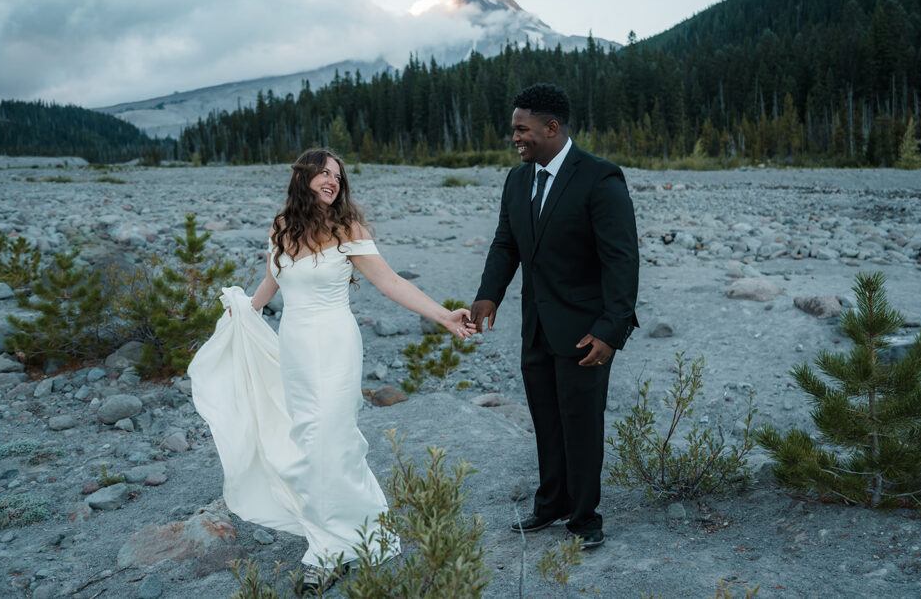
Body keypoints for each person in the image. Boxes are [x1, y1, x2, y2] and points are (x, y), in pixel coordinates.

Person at [188, 149, 475, 595]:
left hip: (335, 345)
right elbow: (273, 280)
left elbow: (391, 282)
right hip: (296, 348)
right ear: (303, 177)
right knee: (308, 438)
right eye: (323, 173)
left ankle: (329, 551)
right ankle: (352, 528)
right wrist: (246, 311)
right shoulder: (282, 227)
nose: (332, 181)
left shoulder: (348, 229)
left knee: (329, 439)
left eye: (337, 176)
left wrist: (444, 316)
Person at [470, 83, 639, 550]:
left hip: (587, 331)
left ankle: (585, 516)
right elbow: (506, 243)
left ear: (552, 127)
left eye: (522, 130)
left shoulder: (600, 178)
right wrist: (489, 295)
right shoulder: (517, 179)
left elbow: (621, 261)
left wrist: (611, 329)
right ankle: (551, 504)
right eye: (513, 130)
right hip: (537, 327)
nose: (516, 138)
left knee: (582, 423)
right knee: (546, 419)